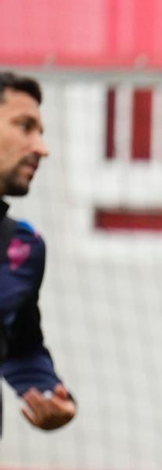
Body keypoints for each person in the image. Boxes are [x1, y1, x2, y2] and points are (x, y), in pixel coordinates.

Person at [0, 72, 74, 437]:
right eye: (24, 126)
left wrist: (47, 392)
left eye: (41, 132)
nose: (42, 148)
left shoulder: (22, 248)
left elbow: (18, 344)